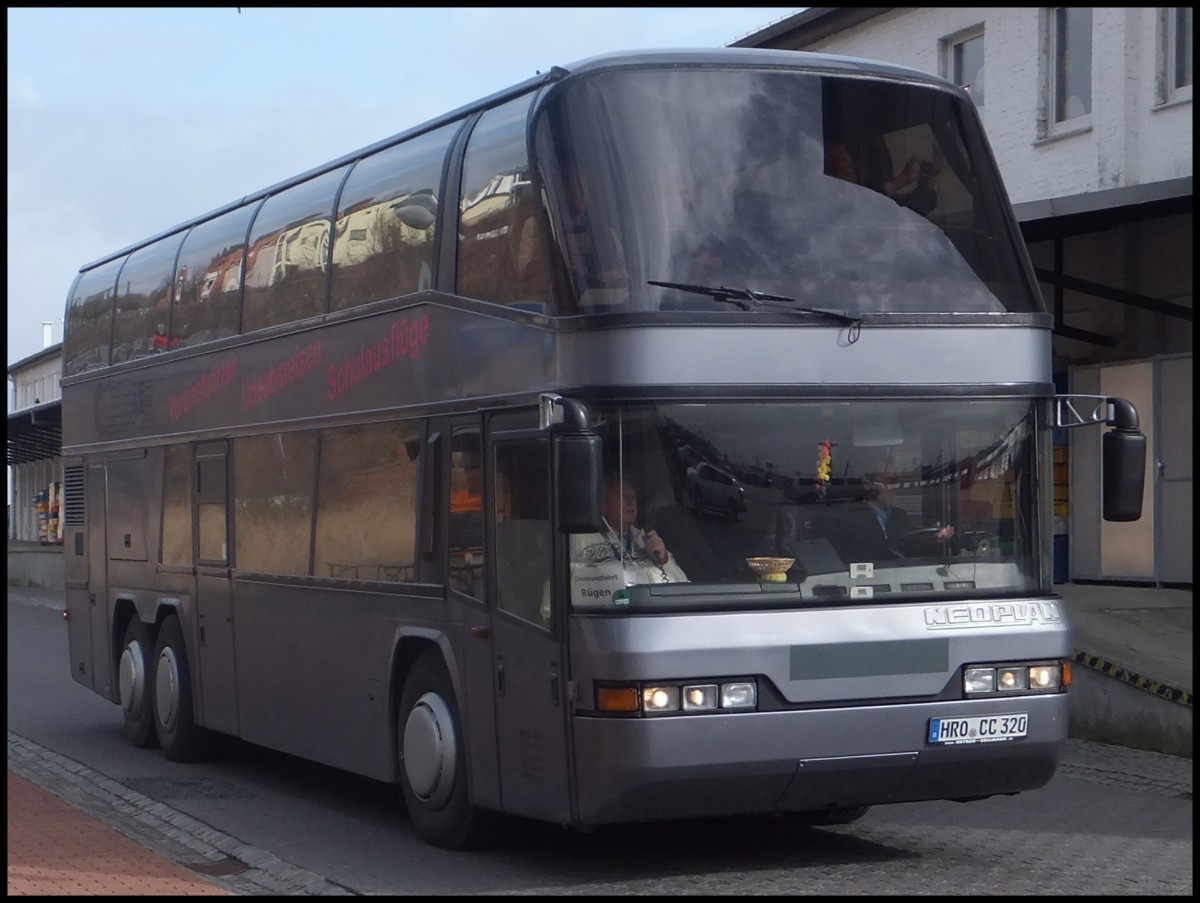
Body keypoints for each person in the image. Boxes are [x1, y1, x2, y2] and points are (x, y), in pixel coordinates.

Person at [571, 474, 688, 584]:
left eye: (633, 497)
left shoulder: (648, 541)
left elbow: (683, 585)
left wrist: (663, 560)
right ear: (604, 504)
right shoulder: (580, 538)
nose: (631, 502)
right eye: (622, 496)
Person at [825, 141, 939, 215]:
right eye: (841, 160)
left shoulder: (863, 193)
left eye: (851, 160)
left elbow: (906, 213)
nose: (851, 165)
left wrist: (926, 186)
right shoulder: (830, 207)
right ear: (828, 170)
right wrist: (902, 180)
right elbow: (867, 211)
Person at [862, 476, 955, 556]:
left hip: (902, 566)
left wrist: (937, 540)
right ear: (871, 487)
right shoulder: (855, 515)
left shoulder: (900, 515)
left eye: (894, 484)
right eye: (888, 484)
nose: (893, 489)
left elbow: (915, 544)